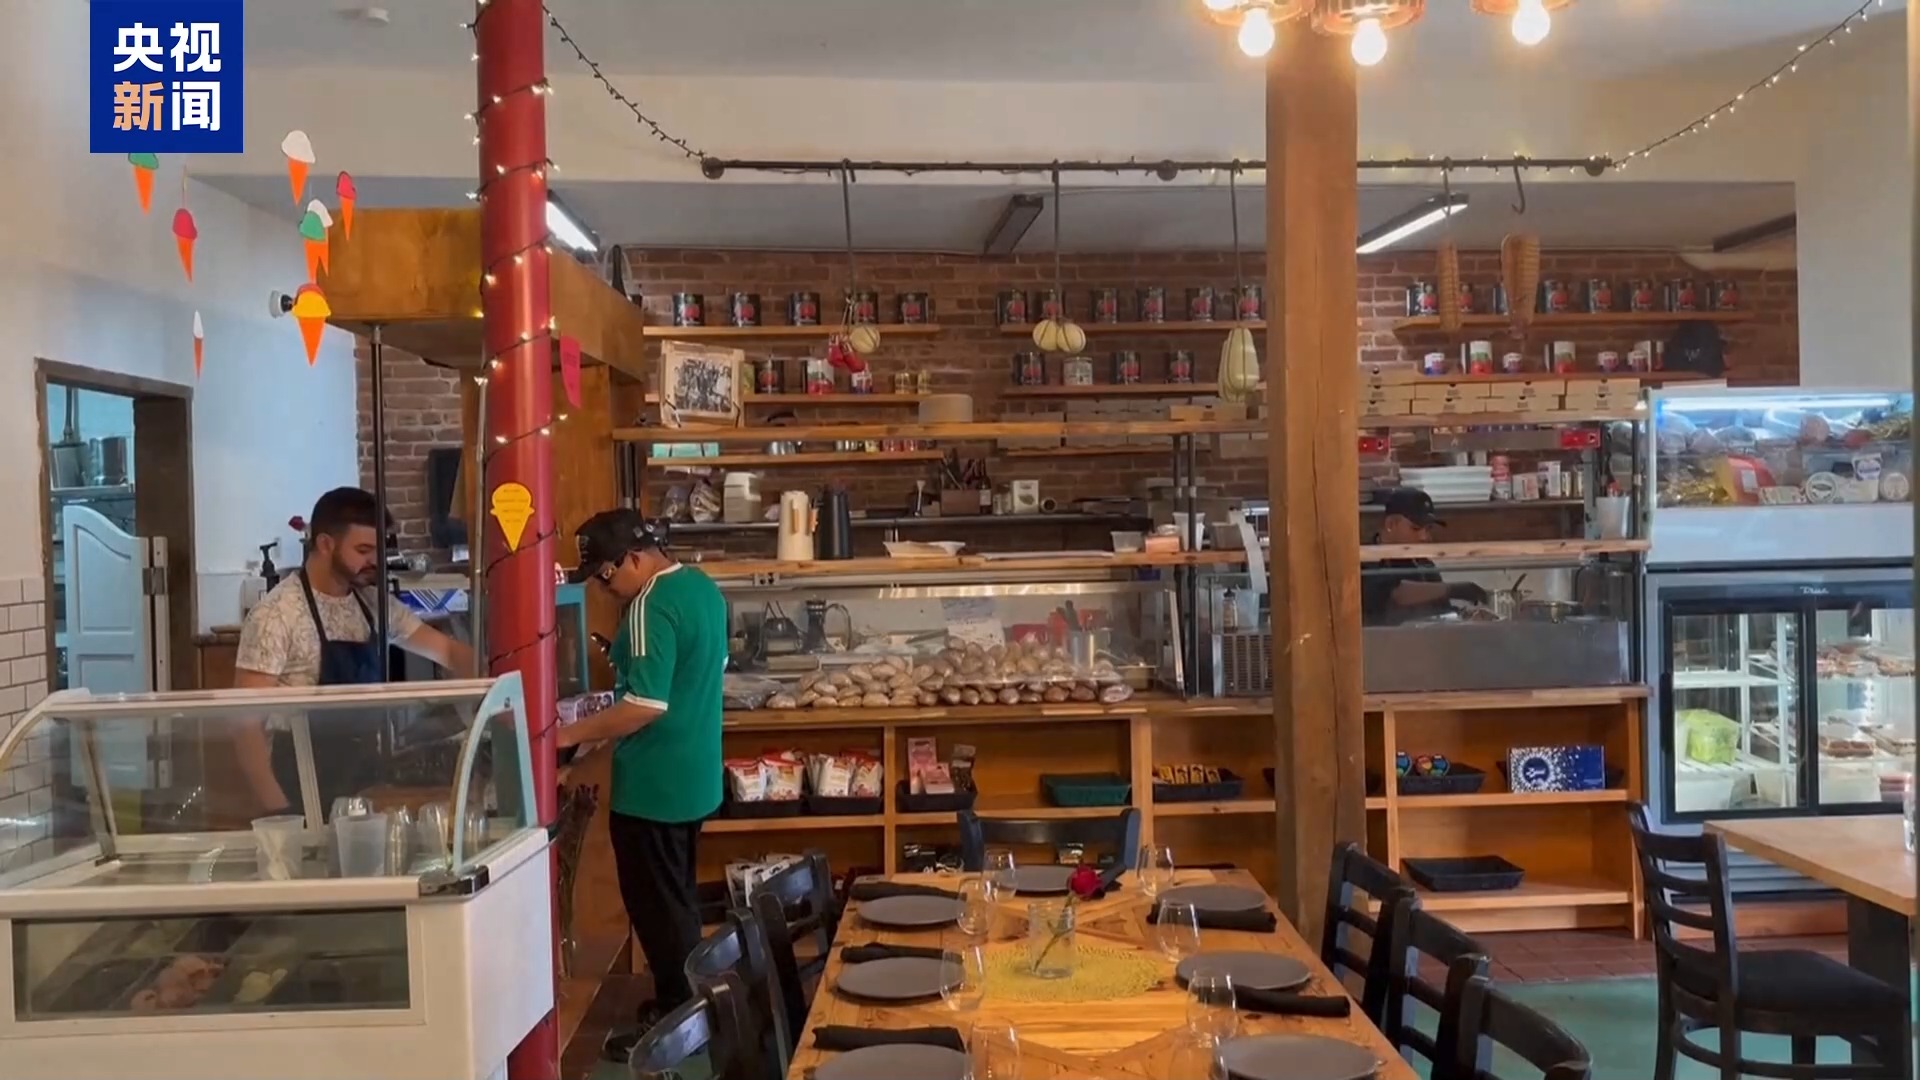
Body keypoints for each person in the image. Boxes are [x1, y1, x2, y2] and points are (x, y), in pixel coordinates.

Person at [553, 510, 725, 1047]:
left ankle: (681, 1022)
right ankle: (688, 1002)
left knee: (658, 912)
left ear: (633, 558)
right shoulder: (701, 586)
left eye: (606, 577)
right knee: (678, 901)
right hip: (694, 776)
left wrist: (565, 735)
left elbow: (645, 705)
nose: (605, 590)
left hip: (655, 786)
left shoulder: (649, 603)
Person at [233, 487, 473, 814]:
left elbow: (449, 652)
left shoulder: (373, 605)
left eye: (379, 550)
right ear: (325, 544)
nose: (374, 561)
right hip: (300, 787)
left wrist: (497, 683)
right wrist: (278, 812)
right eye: (363, 550)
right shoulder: (276, 615)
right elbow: (245, 727)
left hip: (364, 783)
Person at [1361, 488, 1489, 625]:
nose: (1424, 537)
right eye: (1415, 528)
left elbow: (1442, 612)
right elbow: (1393, 593)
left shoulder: (1424, 564)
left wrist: (1466, 616)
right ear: (1391, 524)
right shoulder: (1366, 559)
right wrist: (1452, 589)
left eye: (1428, 529)